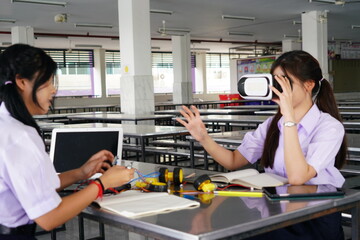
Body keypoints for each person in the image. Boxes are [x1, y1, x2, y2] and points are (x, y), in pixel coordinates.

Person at [177, 50, 347, 240]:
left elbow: (298, 177)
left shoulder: (329, 127)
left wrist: (289, 117)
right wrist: (204, 138)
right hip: (276, 210)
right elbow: (234, 161)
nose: (277, 88)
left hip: (315, 216)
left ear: (309, 84)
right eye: (275, 81)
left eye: (285, 81)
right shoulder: (272, 125)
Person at [0, 44, 135, 240]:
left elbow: (34, 187)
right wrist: (102, 183)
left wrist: (81, 173)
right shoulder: (19, 136)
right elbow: (49, 218)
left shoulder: (7, 125)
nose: (54, 89)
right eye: (46, 82)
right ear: (21, 82)